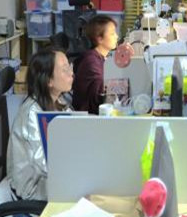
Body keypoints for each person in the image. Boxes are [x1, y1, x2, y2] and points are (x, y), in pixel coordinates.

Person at [7, 47, 73, 202]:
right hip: (33, 188)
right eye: (65, 69)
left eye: (70, 67)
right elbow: (42, 163)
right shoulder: (31, 113)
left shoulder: (58, 101)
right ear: (49, 80)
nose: (71, 73)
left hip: (50, 177)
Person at [73, 15, 119, 114]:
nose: (117, 36)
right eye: (112, 34)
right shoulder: (91, 62)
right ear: (99, 39)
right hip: (88, 117)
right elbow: (100, 89)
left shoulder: (100, 57)